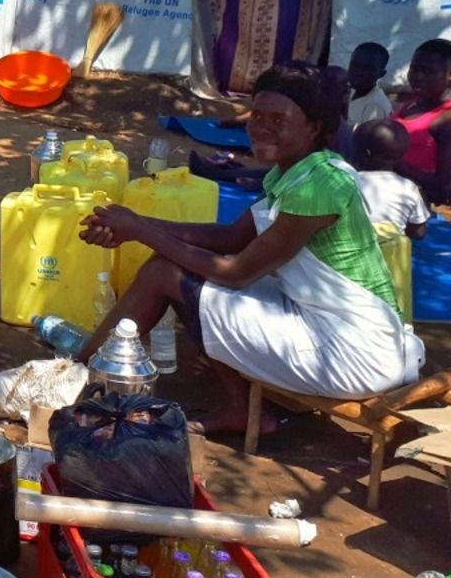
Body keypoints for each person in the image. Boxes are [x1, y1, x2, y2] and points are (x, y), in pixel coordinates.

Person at [79, 63, 423, 436]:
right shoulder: (302, 171)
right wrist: (131, 225)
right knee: (177, 270)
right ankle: (236, 408)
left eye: (278, 120)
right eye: (257, 115)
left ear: (314, 127)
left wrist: (141, 229)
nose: (261, 127)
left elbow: (237, 270)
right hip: (335, 326)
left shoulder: (318, 187)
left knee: (168, 272)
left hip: (353, 353)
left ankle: (77, 378)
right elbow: (229, 238)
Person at [353, 118, 431, 240]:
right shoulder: (409, 188)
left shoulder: (348, 181)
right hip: (391, 256)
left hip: (349, 252)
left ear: (366, 153)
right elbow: (419, 233)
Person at [394, 37, 451, 205]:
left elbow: (444, 189)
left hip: (419, 214)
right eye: (414, 68)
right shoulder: (412, 103)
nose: (417, 77)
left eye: (429, 72)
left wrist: (391, 162)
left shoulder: (446, 119)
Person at [347, 42, 394, 126]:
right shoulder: (351, 90)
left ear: (381, 74)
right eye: (354, 65)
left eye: (367, 69)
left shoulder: (375, 106)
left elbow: (365, 138)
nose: (359, 72)